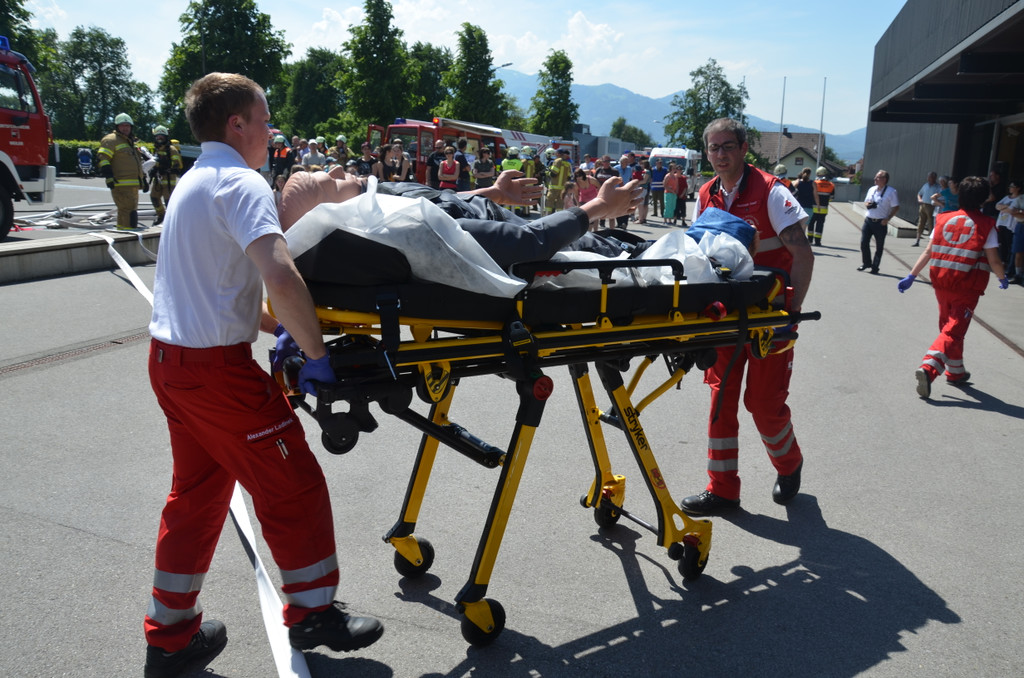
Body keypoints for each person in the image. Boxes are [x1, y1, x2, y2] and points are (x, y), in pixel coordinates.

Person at [143, 72, 383, 678]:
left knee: (196, 497)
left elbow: (221, 290)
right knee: (292, 484)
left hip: (171, 363)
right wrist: (318, 355)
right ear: (237, 124)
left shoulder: (194, 182)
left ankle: (169, 637)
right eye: (264, 118)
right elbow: (280, 274)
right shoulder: (241, 182)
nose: (271, 130)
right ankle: (314, 612)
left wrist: (281, 331)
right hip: (216, 374)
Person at [679, 117, 813, 516]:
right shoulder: (707, 193)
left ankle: (789, 464)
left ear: (743, 148)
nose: (720, 154)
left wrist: (792, 309)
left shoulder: (772, 191)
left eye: (728, 146)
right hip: (724, 315)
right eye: (714, 148)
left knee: (764, 404)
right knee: (721, 398)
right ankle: (722, 489)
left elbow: (802, 254)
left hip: (770, 316)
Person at [897, 176, 1009, 398]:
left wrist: (911, 275)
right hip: (966, 287)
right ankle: (929, 368)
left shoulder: (943, 218)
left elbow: (928, 251)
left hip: (941, 283)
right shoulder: (986, 225)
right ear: (983, 199)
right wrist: (1002, 277)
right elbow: (994, 260)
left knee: (949, 328)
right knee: (954, 329)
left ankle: (956, 372)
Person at [97, 113, 146, 230]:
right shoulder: (111, 140)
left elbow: (138, 163)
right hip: (120, 184)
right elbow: (103, 158)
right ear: (117, 127)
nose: (125, 128)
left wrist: (143, 179)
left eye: (127, 125)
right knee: (127, 211)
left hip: (133, 185)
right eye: (122, 125)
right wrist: (109, 176)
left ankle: (124, 232)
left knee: (131, 211)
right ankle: (126, 235)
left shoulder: (130, 142)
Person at [859, 169, 899, 274]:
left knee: (879, 246)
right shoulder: (872, 189)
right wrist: (869, 205)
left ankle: (875, 267)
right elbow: (866, 202)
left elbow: (896, 207)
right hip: (869, 220)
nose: (875, 179)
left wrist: (888, 218)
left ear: (884, 179)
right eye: (875, 177)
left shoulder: (891, 192)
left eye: (878, 177)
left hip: (881, 222)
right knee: (864, 242)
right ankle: (866, 263)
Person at [148, 125, 182, 225]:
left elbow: (178, 165)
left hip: (168, 181)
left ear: (166, 137)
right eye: (158, 136)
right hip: (158, 180)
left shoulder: (172, 149)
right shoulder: (156, 149)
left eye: (161, 136)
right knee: (154, 197)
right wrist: (153, 169)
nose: (159, 138)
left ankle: (172, 222)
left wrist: (167, 167)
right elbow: (153, 162)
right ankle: (161, 215)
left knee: (169, 202)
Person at [994, 179, 1024, 282]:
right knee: (1016, 250)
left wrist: (1018, 211)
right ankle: (1016, 273)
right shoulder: (1020, 199)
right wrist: (1017, 211)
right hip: (1019, 225)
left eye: (1012, 186)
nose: (1010, 188)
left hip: (1013, 224)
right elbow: (1011, 210)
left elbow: (1014, 211)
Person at [807, 167, 835, 246]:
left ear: (817, 174)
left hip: (813, 208)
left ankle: (810, 240)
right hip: (824, 209)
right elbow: (832, 198)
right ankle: (818, 241)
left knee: (811, 223)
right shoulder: (831, 185)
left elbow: (810, 195)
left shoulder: (814, 183)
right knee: (820, 225)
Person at [915, 171, 941, 246]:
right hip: (923, 205)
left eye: (931, 177)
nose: (929, 178)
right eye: (929, 177)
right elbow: (919, 193)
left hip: (931, 206)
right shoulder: (925, 185)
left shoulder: (938, 187)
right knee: (921, 222)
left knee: (930, 223)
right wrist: (919, 199)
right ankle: (917, 240)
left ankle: (930, 242)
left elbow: (939, 196)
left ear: (934, 178)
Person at [547, 148, 572, 214]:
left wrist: (547, 172)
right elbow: (569, 177)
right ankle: (559, 217)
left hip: (554, 187)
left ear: (558, 154)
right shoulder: (568, 164)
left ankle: (547, 216)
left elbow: (553, 174)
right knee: (560, 205)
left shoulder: (557, 161)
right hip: (562, 188)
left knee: (549, 202)